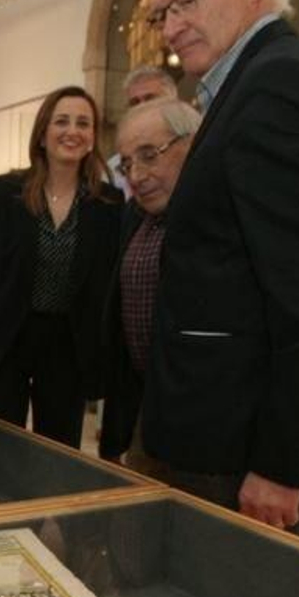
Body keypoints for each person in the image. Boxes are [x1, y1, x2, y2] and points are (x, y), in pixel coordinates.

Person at [140, 0, 299, 539]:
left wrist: (280, 464)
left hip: (244, 442)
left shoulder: (280, 84)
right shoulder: (250, 83)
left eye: (185, 0)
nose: (170, 28)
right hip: (224, 426)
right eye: (161, 14)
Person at [0, 86, 122, 449]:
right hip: (9, 335)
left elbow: (105, 283)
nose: (72, 131)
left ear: (93, 137)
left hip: (68, 343)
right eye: (62, 121)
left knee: (58, 448)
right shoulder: (6, 192)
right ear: (42, 134)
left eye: (83, 123)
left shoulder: (108, 203)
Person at [97, 99, 200, 464]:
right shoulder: (132, 216)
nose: (136, 176)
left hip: (201, 420)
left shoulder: (220, 220)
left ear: (193, 143)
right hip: (144, 412)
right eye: (127, 164)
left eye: (149, 155)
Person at [106, 65, 179, 198]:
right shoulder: (114, 170)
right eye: (134, 102)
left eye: (150, 99)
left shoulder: (192, 149)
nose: (142, 107)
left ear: (173, 102)